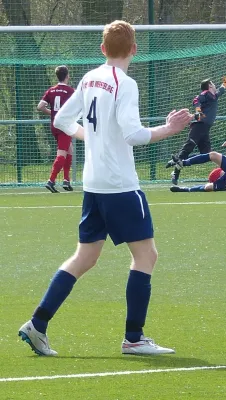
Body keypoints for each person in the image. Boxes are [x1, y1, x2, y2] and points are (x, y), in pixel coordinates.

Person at [19, 20, 192, 356]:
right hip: (120, 185)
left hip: (93, 185)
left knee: (85, 257)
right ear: (134, 50)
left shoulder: (89, 77)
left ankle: (37, 324)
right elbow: (135, 136)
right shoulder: (124, 83)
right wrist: (169, 129)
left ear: (102, 49)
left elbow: (61, 121)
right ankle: (134, 338)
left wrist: (91, 137)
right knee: (147, 255)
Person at [167, 76, 226, 185]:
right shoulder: (205, 93)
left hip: (205, 129)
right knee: (188, 147)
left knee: (206, 155)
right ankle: (176, 172)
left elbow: (220, 91)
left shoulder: (213, 96)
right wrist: (198, 112)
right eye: (213, 84)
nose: (215, 86)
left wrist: (225, 84)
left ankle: (177, 161)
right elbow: (197, 100)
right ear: (210, 85)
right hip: (199, 126)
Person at [37, 65, 75, 193]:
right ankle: (51, 181)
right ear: (67, 76)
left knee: (69, 150)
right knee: (62, 153)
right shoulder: (70, 91)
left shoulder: (51, 90)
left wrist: (53, 113)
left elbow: (40, 106)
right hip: (64, 126)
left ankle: (66, 180)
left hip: (54, 125)